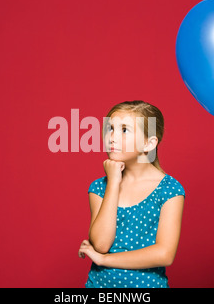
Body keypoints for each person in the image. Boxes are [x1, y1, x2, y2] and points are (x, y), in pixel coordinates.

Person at [78, 100, 186, 288]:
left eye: (124, 130)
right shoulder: (99, 188)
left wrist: (104, 260)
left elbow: (164, 254)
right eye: (110, 129)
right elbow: (101, 244)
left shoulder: (170, 189)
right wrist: (113, 182)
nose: (112, 137)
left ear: (148, 143)